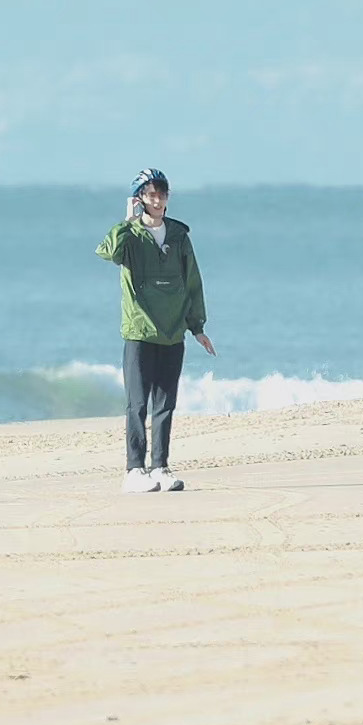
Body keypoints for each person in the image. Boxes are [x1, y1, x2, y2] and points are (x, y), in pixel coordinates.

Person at [95, 167, 214, 493]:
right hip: (139, 332)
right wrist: (127, 220)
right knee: (138, 403)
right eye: (151, 194)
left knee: (166, 404)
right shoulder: (130, 236)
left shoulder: (178, 236)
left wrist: (196, 327)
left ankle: (160, 467)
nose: (158, 199)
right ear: (140, 198)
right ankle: (134, 470)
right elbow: (107, 252)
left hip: (173, 331)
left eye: (162, 193)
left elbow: (193, 282)